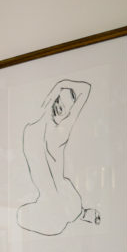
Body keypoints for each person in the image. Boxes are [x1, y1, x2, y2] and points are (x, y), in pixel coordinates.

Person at [17, 79, 100, 236]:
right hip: (56, 202)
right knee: (21, 215)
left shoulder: (58, 133)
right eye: (59, 101)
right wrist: (58, 88)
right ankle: (80, 214)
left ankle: (80, 214)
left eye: (65, 108)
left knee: (28, 217)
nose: (59, 108)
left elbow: (86, 88)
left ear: (68, 113)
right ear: (53, 98)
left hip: (64, 200)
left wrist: (60, 85)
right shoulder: (31, 130)